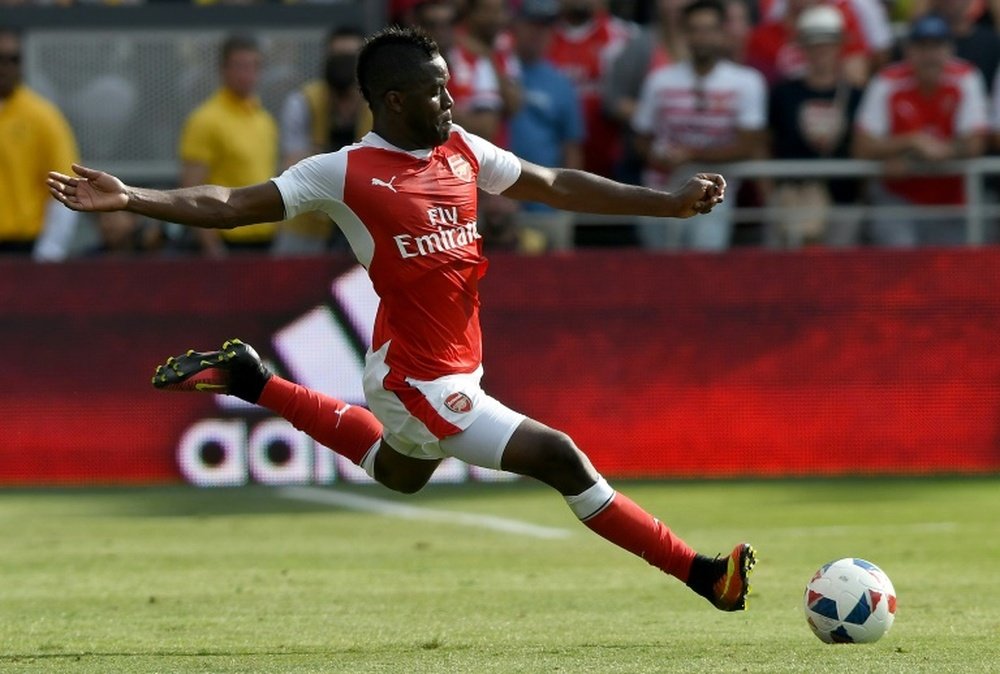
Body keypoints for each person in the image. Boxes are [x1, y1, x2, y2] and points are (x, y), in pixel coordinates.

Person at [47, 26, 754, 611]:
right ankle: (703, 575)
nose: (452, 98)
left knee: (401, 473)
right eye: (436, 90)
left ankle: (254, 380)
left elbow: (554, 183)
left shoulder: (461, 149)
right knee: (559, 455)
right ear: (393, 99)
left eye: (449, 85)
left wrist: (666, 202)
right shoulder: (345, 171)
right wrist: (132, 196)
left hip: (429, 359)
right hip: (420, 376)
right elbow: (231, 205)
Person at [631, 0, 767, 251]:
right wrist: (659, 156)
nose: (701, 37)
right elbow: (640, 138)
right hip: (659, 191)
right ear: (684, 33)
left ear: (722, 33)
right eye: (694, 29)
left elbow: (749, 145)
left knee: (704, 274)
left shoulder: (746, 82)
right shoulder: (659, 81)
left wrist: (691, 157)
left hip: (714, 198)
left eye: (709, 29)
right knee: (658, 276)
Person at [853, 13, 989, 247]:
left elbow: (975, 141)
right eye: (922, 47)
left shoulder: (966, 77)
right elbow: (861, 145)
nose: (930, 56)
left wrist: (942, 152)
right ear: (909, 51)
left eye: (937, 46)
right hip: (898, 195)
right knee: (899, 268)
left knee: (953, 273)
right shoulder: (887, 81)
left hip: (951, 198)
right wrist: (913, 142)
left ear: (949, 49)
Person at [765, 4, 865, 248]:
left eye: (828, 43)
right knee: (783, 276)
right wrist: (771, 196)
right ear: (802, 47)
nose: (821, 51)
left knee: (837, 276)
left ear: (840, 45)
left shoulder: (857, 96)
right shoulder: (783, 93)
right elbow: (764, 144)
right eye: (814, 43)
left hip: (843, 200)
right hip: (791, 200)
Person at [178, 34, 280, 256]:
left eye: (254, 66)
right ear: (223, 70)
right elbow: (192, 190)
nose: (247, 74)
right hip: (227, 240)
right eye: (240, 66)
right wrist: (212, 247)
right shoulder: (205, 120)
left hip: (265, 239)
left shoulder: (264, 120)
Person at [275, 27, 371, 256]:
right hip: (308, 227)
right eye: (338, 57)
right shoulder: (302, 101)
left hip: (364, 225)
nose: (344, 65)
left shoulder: (378, 103)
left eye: (351, 58)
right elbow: (290, 167)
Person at [508, 0, 585, 252]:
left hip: (545, 201)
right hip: (495, 198)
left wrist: (568, 201)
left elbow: (571, 146)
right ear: (515, 26)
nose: (538, 33)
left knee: (555, 278)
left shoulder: (560, 82)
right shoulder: (496, 69)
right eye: (532, 25)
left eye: (545, 27)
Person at [0, 27, 80, 261]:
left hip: (23, 247)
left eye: (13, 59)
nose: (5, 67)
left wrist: (50, 250)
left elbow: (66, 185)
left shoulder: (43, 117)